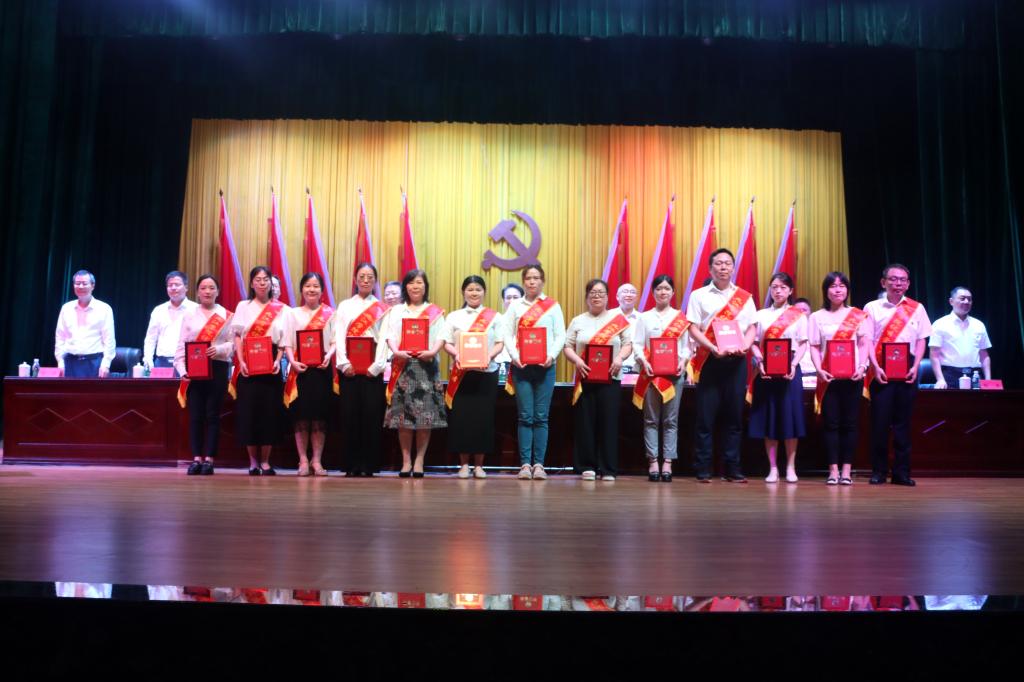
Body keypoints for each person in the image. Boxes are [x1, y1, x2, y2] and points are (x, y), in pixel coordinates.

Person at [686, 249, 757, 482]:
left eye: (727, 263)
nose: (723, 267)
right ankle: (703, 467)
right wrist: (712, 347)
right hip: (710, 360)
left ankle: (732, 468)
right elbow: (693, 327)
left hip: (736, 362)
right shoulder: (699, 295)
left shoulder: (744, 297)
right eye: (718, 263)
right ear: (710, 268)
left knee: (734, 418)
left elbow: (752, 328)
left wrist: (745, 347)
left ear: (733, 268)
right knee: (705, 418)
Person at [865, 263, 932, 486]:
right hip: (880, 368)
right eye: (893, 279)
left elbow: (922, 339)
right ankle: (879, 471)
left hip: (908, 368)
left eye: (902, 280)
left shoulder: (917, 308)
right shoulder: (872, 307)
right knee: (880, 423)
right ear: (883, 282)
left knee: (903, 423)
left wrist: (916, 366)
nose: (898, 283)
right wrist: (875, 366)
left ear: (908, 284)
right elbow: (867, 340)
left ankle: (901, 472)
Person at [564, 279, 632, 481]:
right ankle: (587, 466)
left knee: (609, 422)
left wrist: (619, 359)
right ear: (587, 297)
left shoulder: (618, 319)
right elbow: (567, 346)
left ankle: (608, 468)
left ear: (608, 297)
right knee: (586, 423)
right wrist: (577, 361)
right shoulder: (578, 320)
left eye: (601, 293)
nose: (596, 296)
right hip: (585, 378)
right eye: (592, 293)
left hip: (611, 378)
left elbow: (628, 344)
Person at [808, 272, 872, 486]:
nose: (838, 289)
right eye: (833, 286)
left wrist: (862, 367)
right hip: (828, 378)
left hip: (853, 377)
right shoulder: (816, 317)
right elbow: (814, 346)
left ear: (847, 290)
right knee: (831, 424)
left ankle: (847, 470)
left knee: (850, 424)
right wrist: (819, 369)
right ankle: (833, 470)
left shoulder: (857, 315)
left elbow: (864, 344)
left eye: (842, 285)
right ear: (825, 290)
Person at [503, 263, 566, 480]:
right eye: (528, 278)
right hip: (521, 368)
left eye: (536, 278)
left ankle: (539, 465)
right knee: (525, 416)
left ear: (542, 281)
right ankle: (524, 465)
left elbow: (560, 335)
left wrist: (552, 356)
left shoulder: (552, 306)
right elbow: (506, 334)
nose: (532, 281)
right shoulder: (515, 306)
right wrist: (514, 356)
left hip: (545, 368)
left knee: (541, 417)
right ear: (523, 282)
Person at [384, 269, 447, 477]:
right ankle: (406, 461)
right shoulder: (397, 311)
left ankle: (419, 460)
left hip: (426, 367)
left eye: (419, 282)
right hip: (403, 366)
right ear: (406, 287)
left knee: (424, 418)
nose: (415, 286)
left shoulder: (435, 311)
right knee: (403, 418)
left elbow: (442, 337)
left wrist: (433, 352)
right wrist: (396, 351)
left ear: (425, 286)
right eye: (411, 283)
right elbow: (390, 335)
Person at [748, 273, 808, 483]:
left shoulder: (799, 315)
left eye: (783, 287)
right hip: (766, 370)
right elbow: (753, 343)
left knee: (791, 419)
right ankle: (773, 468)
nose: (778, 291)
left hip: (790, 369)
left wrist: (793, 364)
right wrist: (759, 361)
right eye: (774, 287)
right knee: (770, 419)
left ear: (790, 290)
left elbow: (803, 343)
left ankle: (790, 467)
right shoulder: (761, 315)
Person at [443, 276, 505, 479]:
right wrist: (456, 354)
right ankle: (463, 465)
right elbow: (446, 342)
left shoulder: (495, 317)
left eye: (478, 289)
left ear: (484, 292)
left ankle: (479, 465)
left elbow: (500, 342)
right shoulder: (454, 316)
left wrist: (489, 356)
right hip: (462, 374)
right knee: (462, 420)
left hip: (487, 374)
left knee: (483, 420)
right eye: (470, 289)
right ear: (463, 292)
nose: (474, 293)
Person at [633, 275, 691, 482]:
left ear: (673, 292)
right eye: (658, 288)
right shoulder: (644, 317)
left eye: (666, 288)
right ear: (653, 292)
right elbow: (637, 343)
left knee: (670, 420)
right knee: (650, 419)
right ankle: (653, 461)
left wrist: (683, 361)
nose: (663, 292)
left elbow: (687, 346)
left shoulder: (680, 318)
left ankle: (668, 461)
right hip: (651, 375)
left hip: (674, 376)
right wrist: (643, 361)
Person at [173, 274, 234, 475]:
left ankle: (209, 459)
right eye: (203, 288)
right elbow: (181, 346)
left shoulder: (227, 315)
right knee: (196, 416)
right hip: (195, 369)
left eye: (211, 288)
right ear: (197, 292)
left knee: (213, 415)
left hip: (218, 367)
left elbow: (234, 345)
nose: (207, 291)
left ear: (218, 291)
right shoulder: (189, 315)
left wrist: (220, 349)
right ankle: (196, 458)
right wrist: (183, 371)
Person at [333, 263, 389, 476]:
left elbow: (384, 338)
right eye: (362, 276)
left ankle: (368, 465)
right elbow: (339, 336)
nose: (366, 280)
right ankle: (351, 464)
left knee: (371, 417)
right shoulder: (345, 305)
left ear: (375, 280)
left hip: (372, 370)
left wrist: (377, 366)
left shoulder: (382, 308)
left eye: (370, 277)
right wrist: (344, 363)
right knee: (350, 416)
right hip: (349, 369)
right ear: (355, 279)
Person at [232, 265, 287, 475]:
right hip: (248, 362)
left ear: (271, 284)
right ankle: (253, 462)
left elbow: (284, 340)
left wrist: (278, 360)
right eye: (258, 279)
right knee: (249, 413)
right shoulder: (243, 306)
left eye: (266, 280)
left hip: (271, 364)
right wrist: (241, 361)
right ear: (252, 283)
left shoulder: (282, 309)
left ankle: (265, 461)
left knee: (269, 413)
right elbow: (238, 336)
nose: (262, 283)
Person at [281, 273, 336, 476]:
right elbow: (287, 342)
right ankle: (303, 460)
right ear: (301, 289)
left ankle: (317, 460)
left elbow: (335, 341)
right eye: (307, 285)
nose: (311, 289)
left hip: (321, 369)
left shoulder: (330, 313)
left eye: (315, 286)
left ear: (322, 290)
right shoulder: (292, 313)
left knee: (319, 418)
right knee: (301, 418)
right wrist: (292, 361)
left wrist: (328, 356)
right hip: (300, 370)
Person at [54, 269, 116, 378]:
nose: (81, 286)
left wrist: (106, 364)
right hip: (70, 362)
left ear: (92, 285)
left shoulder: (104, 309)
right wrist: (60, 361)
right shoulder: (66, 308)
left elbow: (109, 339)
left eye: (84, 283)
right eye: (77, 283)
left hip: (94, 362)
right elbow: (60, 337)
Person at [929, 286, 992, 389]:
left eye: (969, 299)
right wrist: (940, 379)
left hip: (975, 375)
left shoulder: (979, 325)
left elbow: (984, 355)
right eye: (962, 298)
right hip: (949, 375)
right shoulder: (940, 324)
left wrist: (988, 380)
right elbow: (934, 354)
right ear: (951, 301)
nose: (967, 302)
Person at [143, 271, 197, 376]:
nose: (173, 288)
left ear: (186, 287)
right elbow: (150, 338)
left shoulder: (195, 309)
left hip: (187, 362)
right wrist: (148, 359)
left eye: (177, 284)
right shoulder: (158, 310)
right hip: (161, 363)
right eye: (170, 285)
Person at [609, 282, 639, 373]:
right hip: (611, 367)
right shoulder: (608, 316)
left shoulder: (643, 318)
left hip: (636, 367)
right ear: (617, 296)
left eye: (632, 292)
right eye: (625, 291)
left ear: (636, 298)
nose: (629, 295)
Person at [493, 283, 524, 372]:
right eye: (508, 297)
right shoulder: (496, 320)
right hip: (501, 366)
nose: (512, 301)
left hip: (523, 364)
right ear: (503, 301)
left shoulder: (528, 322)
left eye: (515, 297)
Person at [792, 298, 818, 388]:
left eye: (804, 310)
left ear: (810, 312)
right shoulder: (788, 330)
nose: (801, 313)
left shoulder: (817, 328)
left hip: (814, 372)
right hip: (795, 371)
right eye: (798, 310)